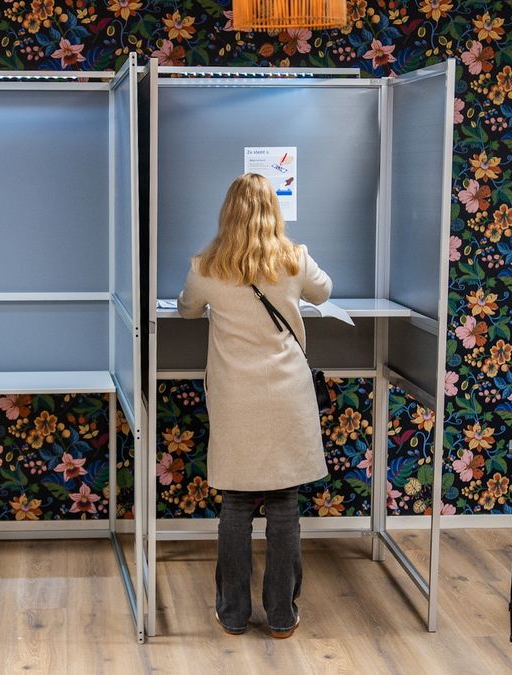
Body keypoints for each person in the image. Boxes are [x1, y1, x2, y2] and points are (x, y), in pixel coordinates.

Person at [177, 172, 332, 639]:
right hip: (287, 394)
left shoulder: (206, 266)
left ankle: (232, 613)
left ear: (227, 212)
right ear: (274, 211)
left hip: (236, 397)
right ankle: (282, 616)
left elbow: (186, 309)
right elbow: (323, 292)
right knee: (284, 503)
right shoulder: (294, 258)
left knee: (237, 504)